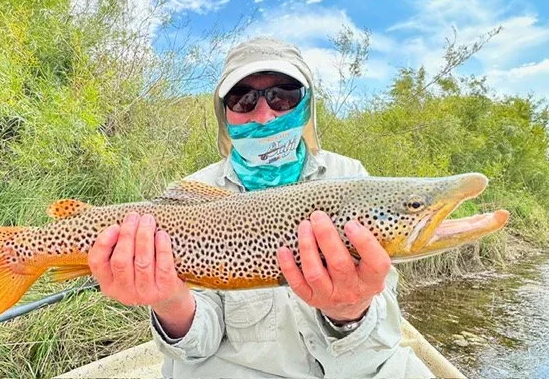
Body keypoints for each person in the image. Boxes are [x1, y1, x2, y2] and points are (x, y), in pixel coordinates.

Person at [87, 37, 433, 379]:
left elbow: (380, 333)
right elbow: (197, 348)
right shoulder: (189, 201)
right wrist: (169, 303)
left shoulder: (351, 178)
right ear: (225, 115)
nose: (265, 116)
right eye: (243, 100)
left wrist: (349, 312)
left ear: (306, 104)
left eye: (283, 96)